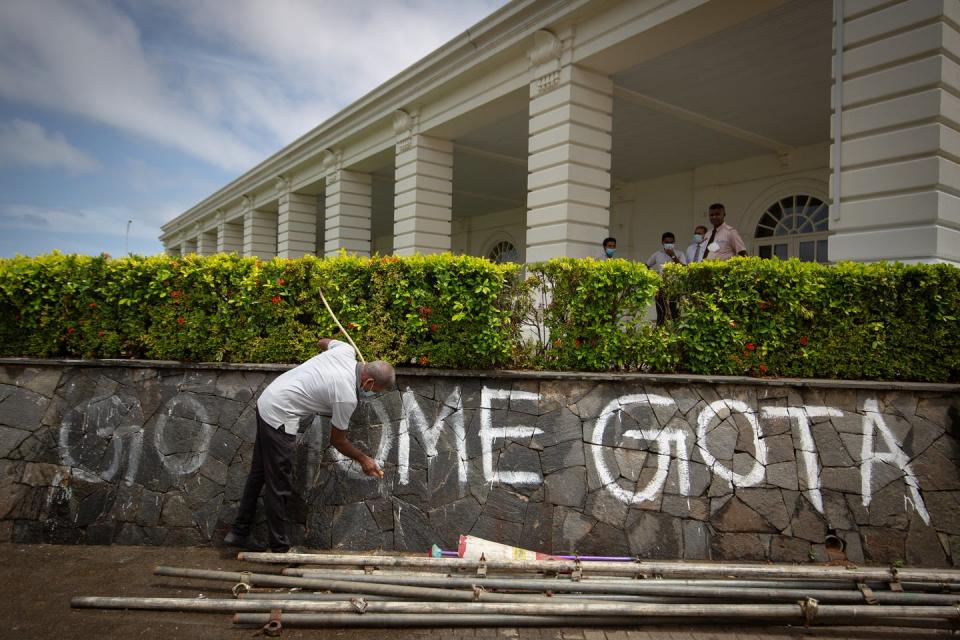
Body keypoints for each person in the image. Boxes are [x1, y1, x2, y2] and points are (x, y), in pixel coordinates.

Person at [224, 339, 395, 552]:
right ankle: (279, 549)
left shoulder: (345, 350)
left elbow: (323, 342)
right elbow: (337, 441)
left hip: (269, 398)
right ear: (368, 381)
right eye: (375, 390)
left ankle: (239, 532)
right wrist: (364, 459)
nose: (373, 394)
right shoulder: (346, 397)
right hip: (280, 415)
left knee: (259, 473)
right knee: (279, 485)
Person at [645, 231, 686, 325]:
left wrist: (673, 255)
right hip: (660, 288)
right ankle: (660, 334)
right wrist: (653, 277)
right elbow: (646, 266)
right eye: (667, 242)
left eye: (671, 242)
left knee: (674, 312)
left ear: (674, 242)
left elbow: (684, 268)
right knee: (661, 313)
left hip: (674, 287)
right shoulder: (657, 254)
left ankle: (674, 334)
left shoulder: (679, 254)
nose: (669, 244)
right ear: (662, 242)